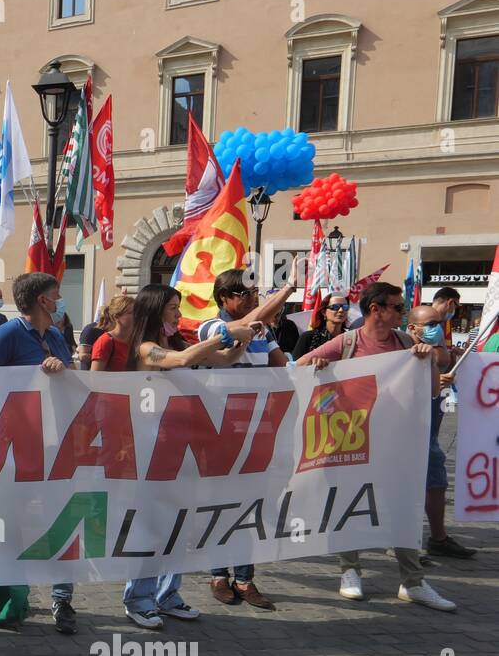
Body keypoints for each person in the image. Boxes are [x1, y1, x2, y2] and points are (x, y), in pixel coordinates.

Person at [297, 282, 456, 611]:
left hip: (395, 441)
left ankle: (412, 581)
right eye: (398, 308)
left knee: (402, 504)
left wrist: (429, 363)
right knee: (348, 503)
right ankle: (350, 571)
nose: (402, 313)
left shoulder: (405, 342)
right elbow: (299, 368)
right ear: (376, 310)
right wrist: (322, 368)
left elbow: (429, 393)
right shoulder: (348, 342)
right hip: (352, 440)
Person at [103, 284, 253, 629]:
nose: (178, 313)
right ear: (156, 310)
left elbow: (224, 359)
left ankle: (167, 594)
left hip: (181, 448)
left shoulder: (177, 342)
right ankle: (138, 598)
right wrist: (226, 332)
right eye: (173, 307)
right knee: (150, 528)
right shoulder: (146, 349)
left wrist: (242, 339)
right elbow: (185, 361)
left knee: (179, 525)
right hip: (148, 453)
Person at [0, 272, 77, 635]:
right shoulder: (9, 333)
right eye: (56, 295)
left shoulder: (55, 336)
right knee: (5, 523)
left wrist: (62, 369)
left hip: (54, 445)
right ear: (40, 301)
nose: (61, 300)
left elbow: (75, 376)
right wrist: (29, 380)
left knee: (61, 519)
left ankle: (58, 598)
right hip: (16, 446)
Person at [196, 266, 298, 612]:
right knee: (220, 505)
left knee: (249, 506)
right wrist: (285, 290)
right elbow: (239, 331)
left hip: (257, 429)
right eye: (247, 293)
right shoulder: (211, 327)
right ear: (225, 298)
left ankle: (244, 577)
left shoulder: (264, 333)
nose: (255, 298)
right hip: (222, 431)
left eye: (255, 293)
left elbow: (281, 365)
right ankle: (217, 574)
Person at [405, 304, 475, 559]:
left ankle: (438, 538)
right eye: (431, 324)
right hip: (402, 432)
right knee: (402, 487)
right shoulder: (400, 346)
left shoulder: (437, 349)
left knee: (436, 483)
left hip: (429, 431)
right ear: (412, 327)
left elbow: (443, 361)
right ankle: (402, 543)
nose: (438, 329)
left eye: (439, 323)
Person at [293, 292, 348, 360]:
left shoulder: (351, 338)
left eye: (345, 307)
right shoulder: (307, 338)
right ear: (324, 312)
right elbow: (295, 366)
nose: (341, 310)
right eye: (335, 307)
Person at [89, 295, 135, 373]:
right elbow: (94, 378)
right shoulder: (105, 341)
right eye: (131, 313)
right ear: (116, 317)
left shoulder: (136, 340)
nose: (136, 316)